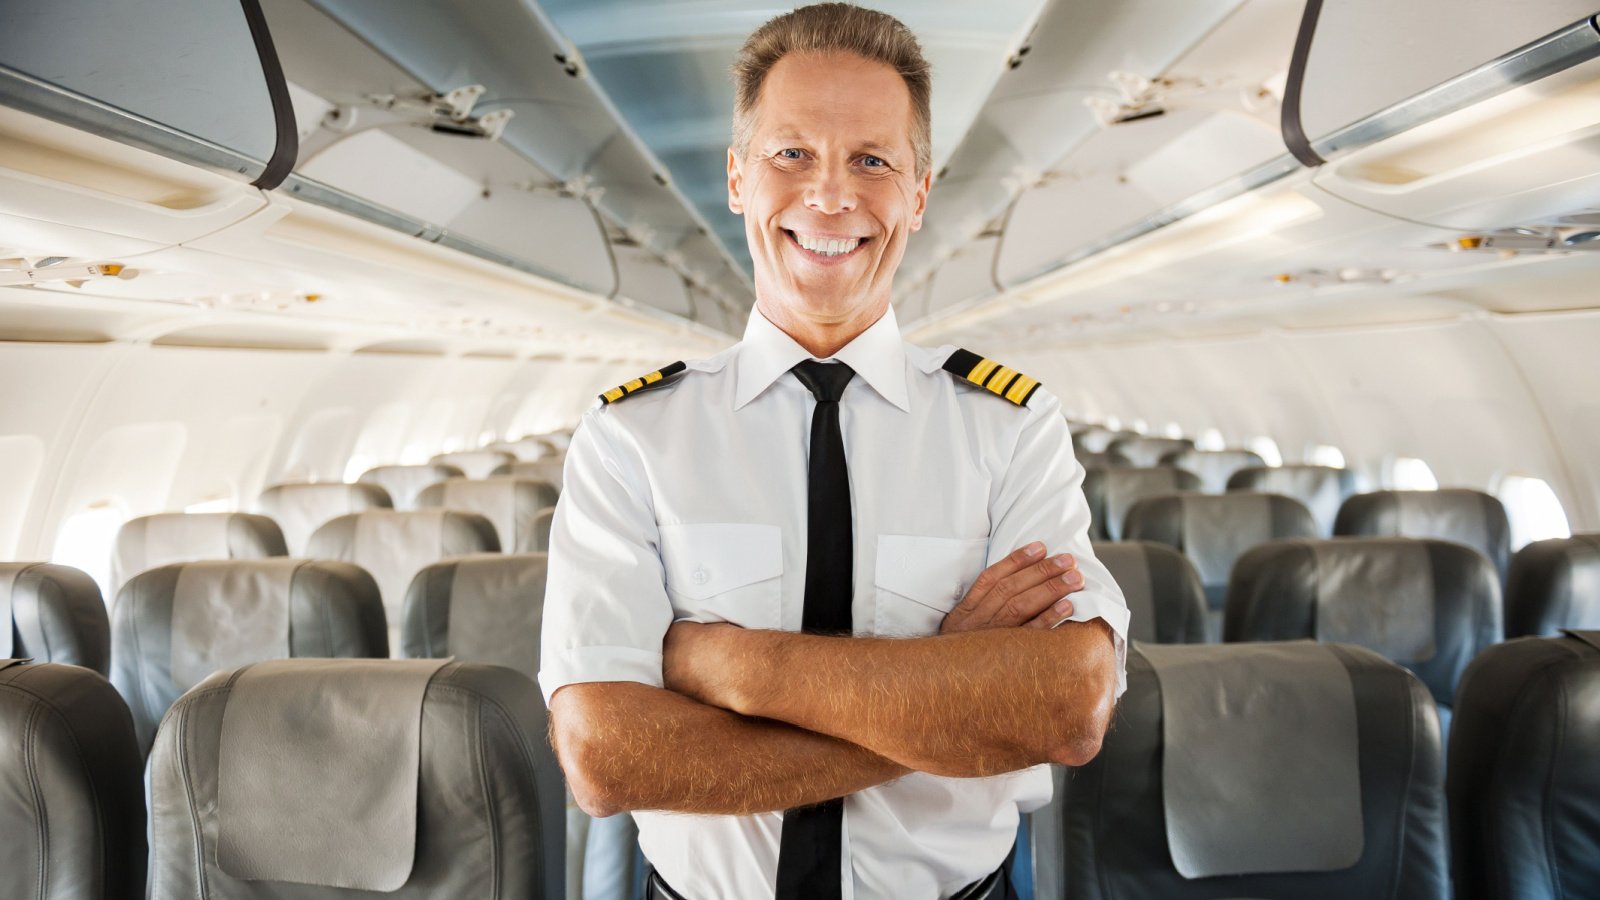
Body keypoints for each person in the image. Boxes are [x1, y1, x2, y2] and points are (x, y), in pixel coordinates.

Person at [539, 5, 1129, 898]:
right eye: (791, 154)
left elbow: (1068, 704)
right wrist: (946, 687)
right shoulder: (632, 438)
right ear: (738, 176)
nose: (830, 195)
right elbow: (607, 759)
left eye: (873, 160)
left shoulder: (1011, 428)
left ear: (919, 194)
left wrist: (727, 665)